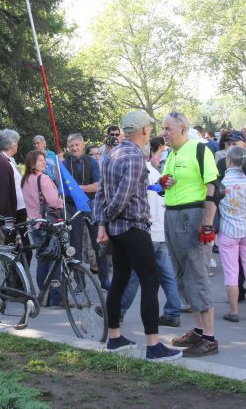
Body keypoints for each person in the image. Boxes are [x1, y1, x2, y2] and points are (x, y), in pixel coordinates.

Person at [95, 110, 182, 362]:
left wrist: (103, 222)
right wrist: (109, 217)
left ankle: (115, 338)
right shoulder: (134, 156)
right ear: (144, 130)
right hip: (132, 227)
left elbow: (102, 192)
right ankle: (153, 345)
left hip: (117, 230)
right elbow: (120, 198)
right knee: (149, 282)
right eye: (149, 127)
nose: (151, 131)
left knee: (120, 279)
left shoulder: (112, 154)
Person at [161, 112, 220, 357]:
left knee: (196, 274)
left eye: (168, 129)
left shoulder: (199, 149)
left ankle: (209, 337)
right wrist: (164, 181)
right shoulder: (171, 154)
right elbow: (168, 182)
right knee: (181, 275)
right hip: (172, 215)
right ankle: (197, 331)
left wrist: (207, 223)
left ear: (184, 129)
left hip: (192, 216)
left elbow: (213, 186)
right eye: (162, 128)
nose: (163, 133)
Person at [117, 136, 183, 328]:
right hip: (159, 230)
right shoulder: (156, 174)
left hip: (147, 230)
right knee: (166, 275)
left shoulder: (141, 174)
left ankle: (119, 309)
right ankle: (173, 311)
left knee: (135, 275)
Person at [218, 146, 246, 323]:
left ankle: (234, 311)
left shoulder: (222, 183)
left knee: (231, 273)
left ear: (228, 161)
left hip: (228, 231)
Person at [62, 133, 107, 286]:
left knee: (98, 242)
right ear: (68, 147)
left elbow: (98, 185)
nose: (74, 148)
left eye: (76, 145)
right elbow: (62, 187)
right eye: (71, 145)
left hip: (90, 204)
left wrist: (78, 189)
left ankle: (105, 280)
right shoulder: (64, 163)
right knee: (76, 244)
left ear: (82, 145)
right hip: (72, 206)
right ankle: (80, 282)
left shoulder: (92, 162)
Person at [20, 150, 64, 306]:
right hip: (48, 224)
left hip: (34, 223)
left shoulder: (25, 180)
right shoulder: (43, 179)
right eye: (40, 160)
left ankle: (42, 294)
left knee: (42, 260)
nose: (44, 162)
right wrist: (62, 202)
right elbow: (53, 201)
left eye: (44, 159)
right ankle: (56, 298)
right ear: (32, 163)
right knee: (55, 261)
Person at [0, 129, 29, 262]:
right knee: (17, 250)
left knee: (23, 250)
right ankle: (15, 281)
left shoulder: (6, 159)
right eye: (16, 142)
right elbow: (2, 191)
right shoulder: (0, 161)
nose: (17, 145)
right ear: (10, 144)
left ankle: (19, 280)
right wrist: (9, 217)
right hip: (11, 213)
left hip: (18, 210)